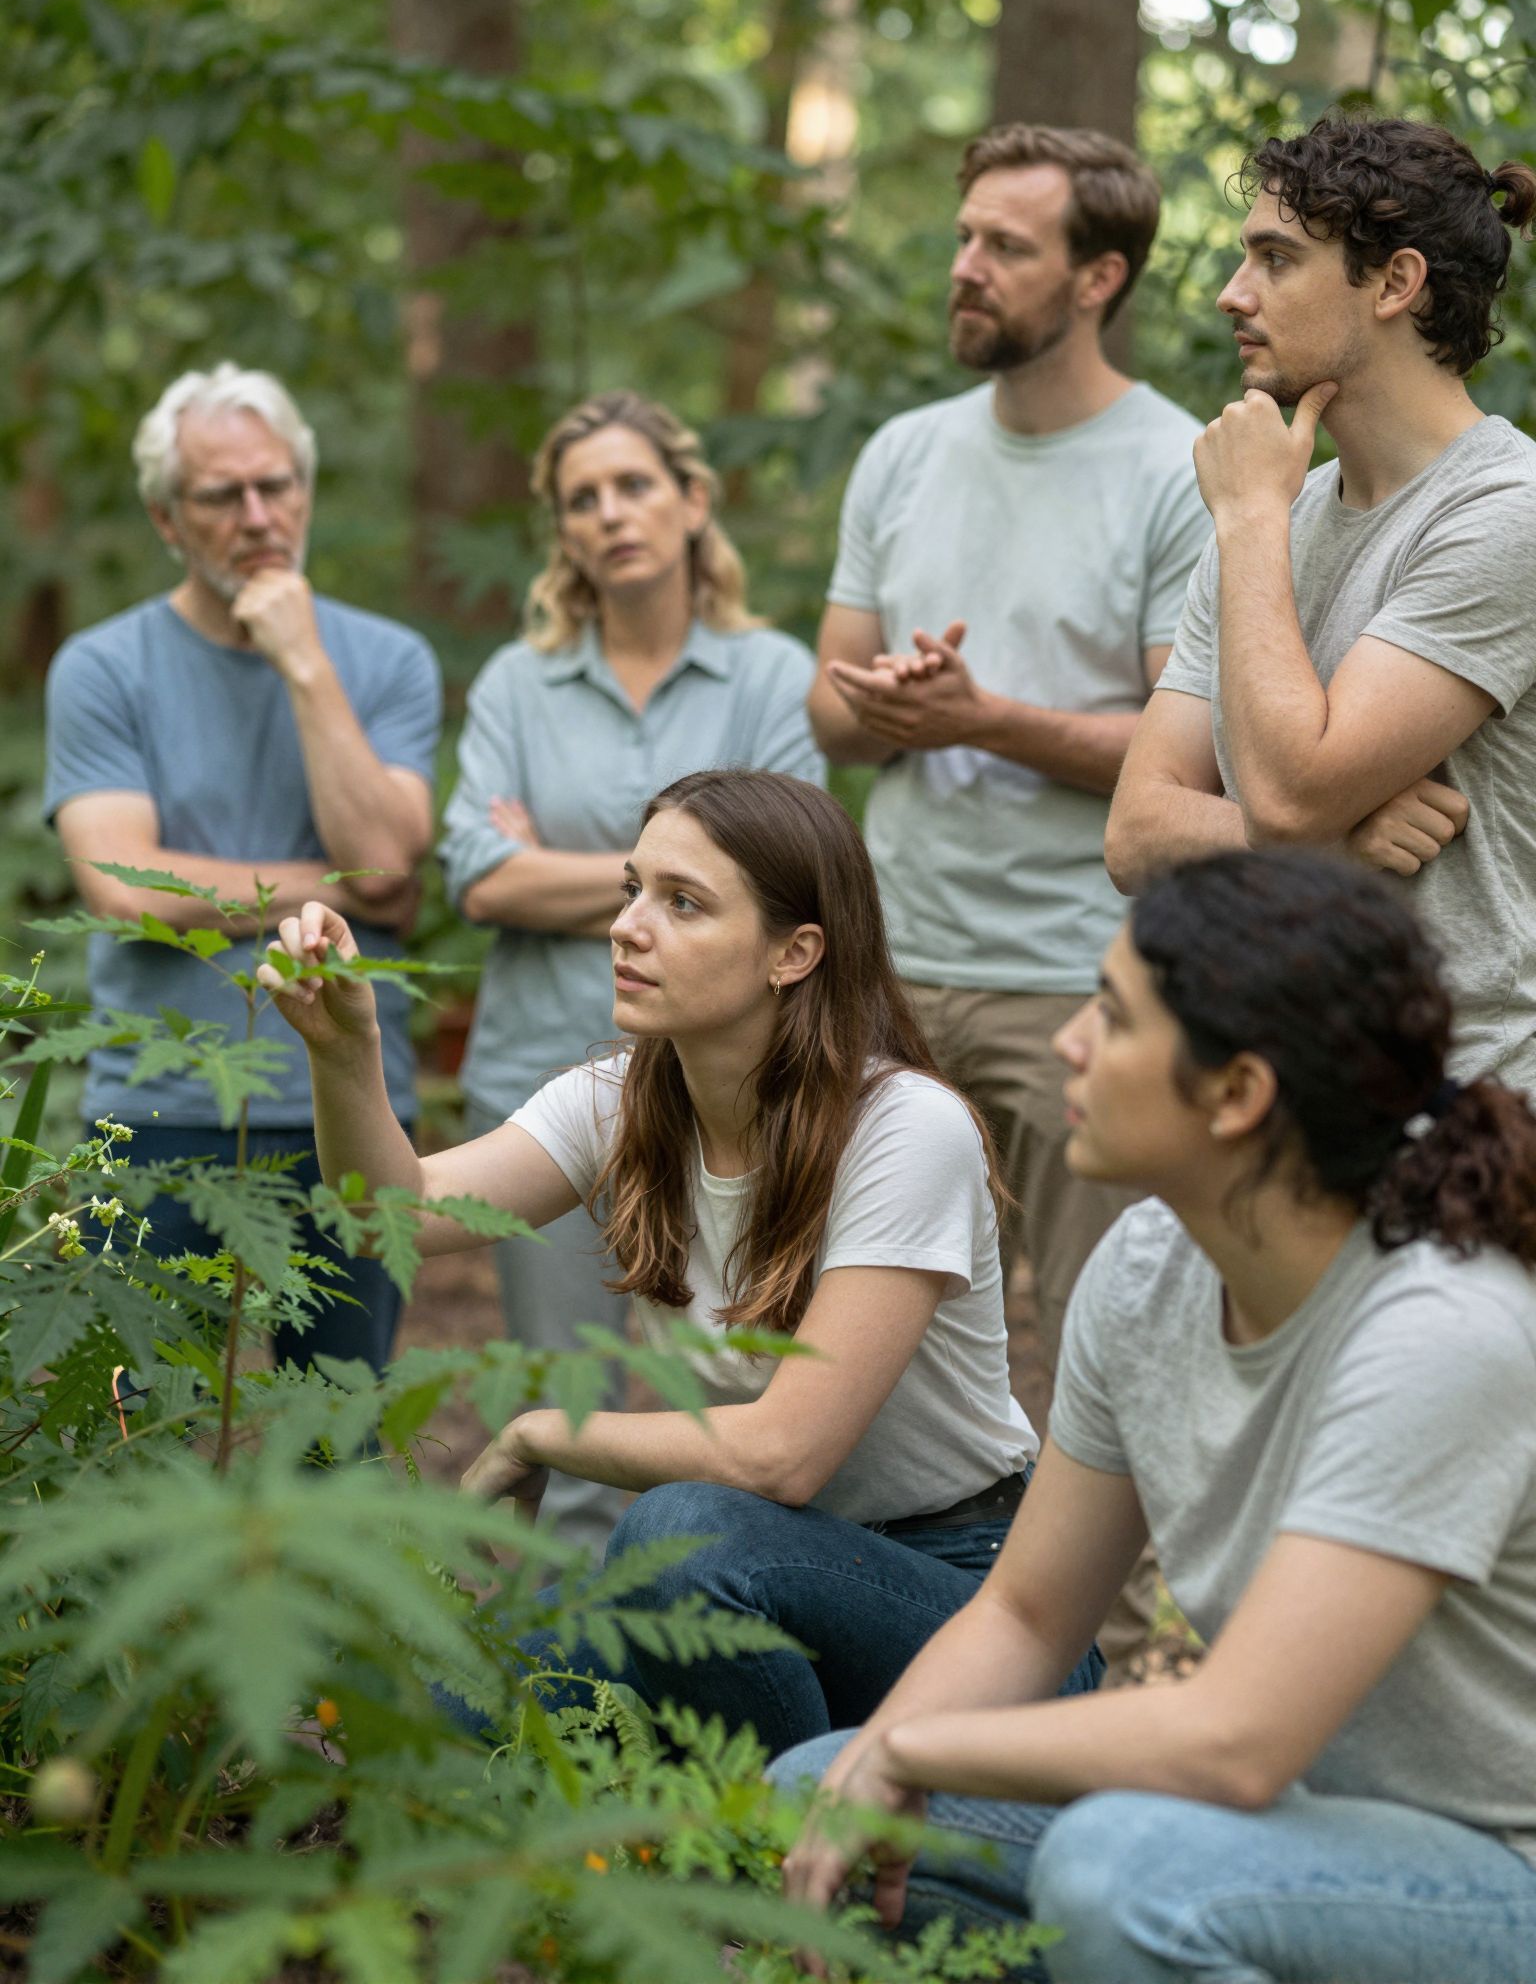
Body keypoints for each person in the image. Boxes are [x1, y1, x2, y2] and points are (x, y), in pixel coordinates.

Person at [772, 849, 1536, 1984]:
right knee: (811, 1790)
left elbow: (1236, 1741)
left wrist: (916, 1746)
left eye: (1114, 1018)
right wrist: (882, 1762)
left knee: (1119, 1871)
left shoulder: (1441, 1329)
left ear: (1238, 1093)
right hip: (1281, 1836)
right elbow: (1029, 1614)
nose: (1072, 1041)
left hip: (1495, 1875)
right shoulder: (1149, 1268)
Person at [262, 769, 1101, 1756]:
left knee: (676, 1533)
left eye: (683, 901)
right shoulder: (619, 1099)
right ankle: (750, 1762)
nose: (627, 924)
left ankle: (766, 1841)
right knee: (391, 1701)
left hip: (964, 1600)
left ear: (795, 952)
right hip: (744, 1583)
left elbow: (784, 1454)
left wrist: (541, 1432)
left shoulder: (905, 1127)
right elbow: (386, 1219)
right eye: (632, 888)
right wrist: (344, 1052)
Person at [807, 123, 1209, 1675]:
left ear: (1099, 276)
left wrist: (989, 720)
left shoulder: (1179, 467)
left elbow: (1194, 750)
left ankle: (1110, 1684)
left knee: (1104, 1343)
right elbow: (830, 710)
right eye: (963, 235)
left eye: (1006, 245)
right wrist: (896, 699)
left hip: (1080, 982)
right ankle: (891, 1646)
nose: (965, 267)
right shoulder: (904, 451)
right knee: (870, 1332)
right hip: (885, 976)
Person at [441, 393, 824, 1557]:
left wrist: (546, 863)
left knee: (748, 1397)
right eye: (582, 498)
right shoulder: (519, 680)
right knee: (566, 1412)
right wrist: (691, 884)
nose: (611, 514)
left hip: (730, 1091)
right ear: (561, 531)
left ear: (694, 500)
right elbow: (476, 875)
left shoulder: (766, 672)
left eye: (635, 485)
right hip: (540, 1077)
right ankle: (552, 1682)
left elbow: (795, 872)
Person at [1107, 115, 1536, 1095]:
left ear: (1396, 283)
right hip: (1282, 1100)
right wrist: (1324, 842)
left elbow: (1291, 787)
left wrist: (1252, 523)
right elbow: (1135, 831)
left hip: (1463, 1109)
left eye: (1276, 259)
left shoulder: (1507, 511)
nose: (1233, 293)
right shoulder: (1269, 506)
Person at [43, 363, 441, 1374]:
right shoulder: (103, 666)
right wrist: (333, 879)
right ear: (168, 519)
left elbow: (387, 859)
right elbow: (126, 890)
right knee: (137, 1430)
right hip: (155, 1105)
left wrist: (304, 663)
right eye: (223, 494)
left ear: (306, 490)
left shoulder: (387, 659)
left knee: (339, 1434)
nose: (259, 514)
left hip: (351, 1109)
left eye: (278, 485)